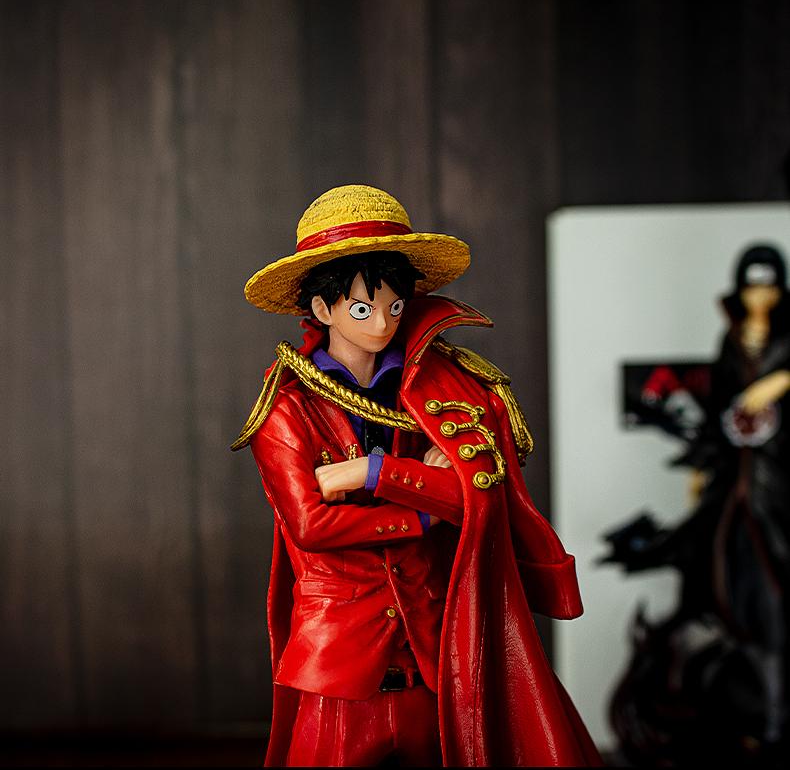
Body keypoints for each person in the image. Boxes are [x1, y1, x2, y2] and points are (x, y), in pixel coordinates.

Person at [232, 184, 601, 767]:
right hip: (340, 664)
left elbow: (477, 495)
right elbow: (311, 526)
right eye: (362, 308)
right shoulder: (287, 408)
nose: (382, 322)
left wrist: (374, 471)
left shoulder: (440, 391)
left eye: (395, 306)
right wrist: (424, 508)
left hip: (434, 656)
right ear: (323, 310)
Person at [602, 243, 790, 765]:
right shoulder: (731, 340)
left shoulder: (784, 341)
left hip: (777, 475)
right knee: (717, 558)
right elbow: (719, 406)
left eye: (769, 287)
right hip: (735, 477)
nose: (759, 297)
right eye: (751, 287)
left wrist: (778, 381)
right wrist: (705, 468)